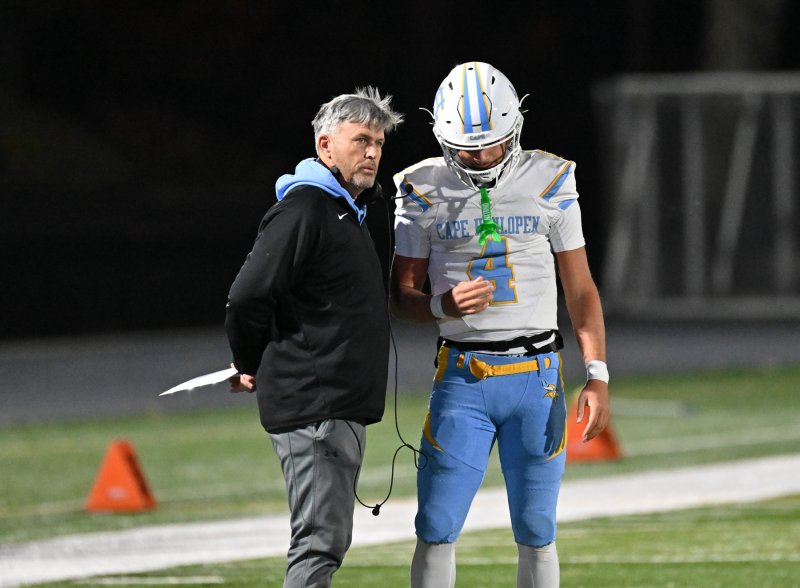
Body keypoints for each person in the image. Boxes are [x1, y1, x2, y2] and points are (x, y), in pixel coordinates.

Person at [391, 62, 610, 588]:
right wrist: (445, 306)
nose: (483, 157)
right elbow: (401, 298)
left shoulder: (551, 177)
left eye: (493, 144)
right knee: (436, 523)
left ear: (516, 129)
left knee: (537, 527)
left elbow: (579, 288)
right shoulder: (420, 188)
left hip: (539, 375)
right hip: (464, 378)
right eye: (469, 148)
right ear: (444, 140)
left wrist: (597, 372)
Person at [225, 87, 403, 587]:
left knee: (324, 540)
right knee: (318, 543)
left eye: (380, 143)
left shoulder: (346, 209)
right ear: (326, 147)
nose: (372, 152)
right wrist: (247, 360)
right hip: (316, 408)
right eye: (361, 140)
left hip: (333, 405)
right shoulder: (307, 208)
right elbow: (246, 296)